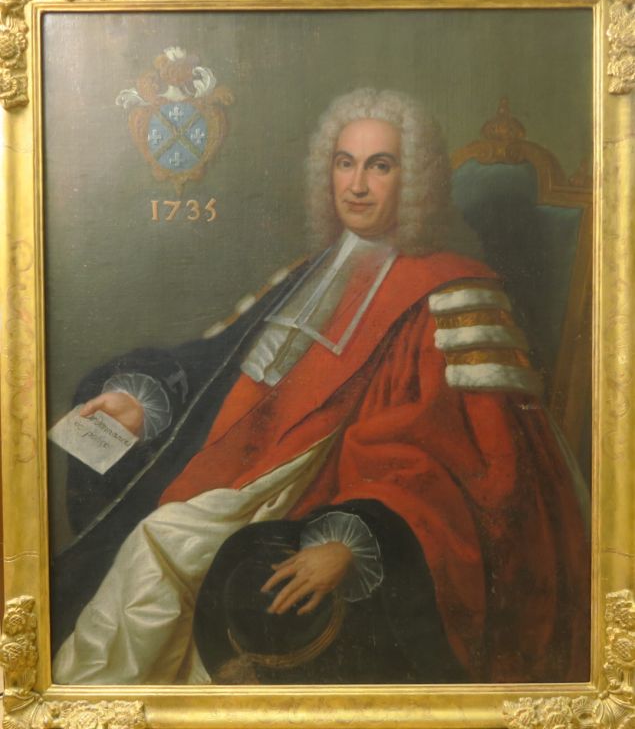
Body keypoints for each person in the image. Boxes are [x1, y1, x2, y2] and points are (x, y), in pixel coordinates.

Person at [51, 88, 590, 686]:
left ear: (416, 180)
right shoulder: (306, 274)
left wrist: (357, 535)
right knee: (150, 532)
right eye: (344, 163)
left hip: (332, 491)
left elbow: (483, 463)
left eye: (379, 166)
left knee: (159, 543)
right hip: (244, 477)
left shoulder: (454, 295)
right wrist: (142, 402)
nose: (356, 185)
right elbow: (213, 364)